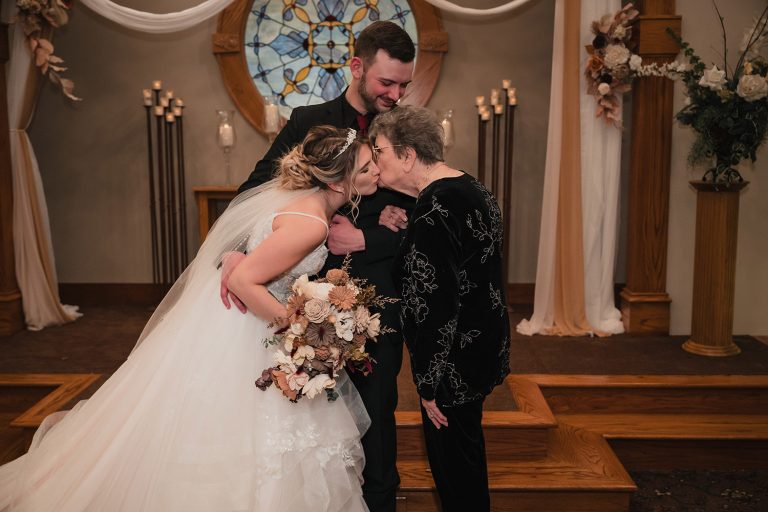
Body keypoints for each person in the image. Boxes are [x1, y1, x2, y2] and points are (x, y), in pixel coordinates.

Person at [0, 126, 379, 512]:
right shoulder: (311, 222)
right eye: (366, 168)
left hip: (234, 320)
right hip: (252, 325)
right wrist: (298, 333)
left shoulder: (301, 202)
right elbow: (244, 279)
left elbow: (249, 256)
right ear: (338, 182)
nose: (376, 172)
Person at [222, 21, 415, 512]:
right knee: (310, 418)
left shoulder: (408, 131)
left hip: (374, 299)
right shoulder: (309, 119)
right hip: (302, 297)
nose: (395, 94)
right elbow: (253, 191)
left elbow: (428, 218)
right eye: (386, 83)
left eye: (403, 85)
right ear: (357, 68)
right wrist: (234, 250)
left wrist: (369, 235)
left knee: (376, 414)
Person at [369, 106, 511, 512]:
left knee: (457, 478)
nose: (376, 163)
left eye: (379, 152)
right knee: (467, 460)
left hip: (452, 366)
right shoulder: (469, 187)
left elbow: (436, 307)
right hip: (482, 347)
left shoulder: (434, 211)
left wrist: (429, 386)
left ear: (408, 155)